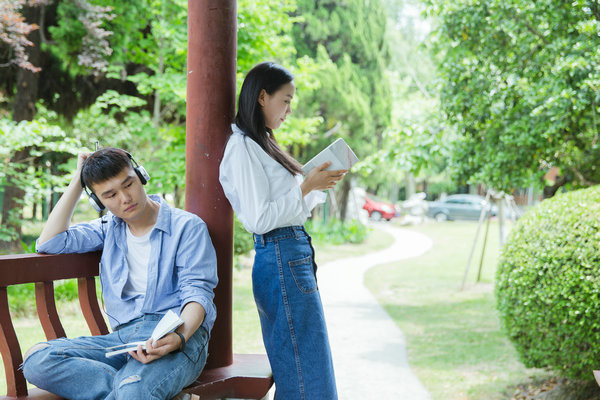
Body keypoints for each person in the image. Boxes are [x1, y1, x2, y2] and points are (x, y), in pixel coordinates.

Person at [22, 147, 218, 400]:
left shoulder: (187, 227)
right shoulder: (107, 229)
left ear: (140, 176)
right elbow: (49, 242)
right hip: (124, 339)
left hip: (178, 335)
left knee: (132, 390)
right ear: (98, 201)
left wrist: (179, 336)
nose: (125, 198)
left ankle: (135, 389)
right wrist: (76, 182)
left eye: (129, 184)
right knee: (38, 360)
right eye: (110, 195)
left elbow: (198, 293)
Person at [219, 61, 345, 400]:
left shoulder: (262, 144)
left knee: (308, 365)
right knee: (304, 373)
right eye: (285, 100)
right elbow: (259, 219)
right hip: (279, 253)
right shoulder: (242, 148)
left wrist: (316, 183)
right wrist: (305, 188)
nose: (288, 110)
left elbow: (289, 209)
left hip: (290, 252)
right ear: (262, 97)